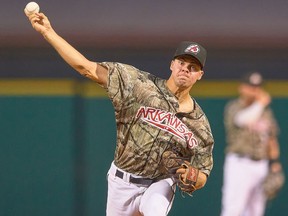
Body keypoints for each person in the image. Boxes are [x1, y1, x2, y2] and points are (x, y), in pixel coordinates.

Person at [25, 11, 214, 216]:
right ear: (172, 64)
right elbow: (86, 68)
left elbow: (202, 171)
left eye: (193, 67)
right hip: (121, 182)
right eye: (182, 63)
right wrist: (48, 32)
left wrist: (194, 178)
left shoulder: (199, 124)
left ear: (200, 75)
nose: (185, 69)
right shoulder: (139, 85)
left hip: (160, 183)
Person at [220, 71, 283, 216]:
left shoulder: (265, 112)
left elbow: (271, 138)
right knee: (233, 209)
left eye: (258, 87)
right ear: (242, 88)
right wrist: (260, 103)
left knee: (256, 211)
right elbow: (242, 120)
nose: (255, 90)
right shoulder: (234, 106)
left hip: (261, 165)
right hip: (240, 164)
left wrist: (274, 163)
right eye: (251, 86)